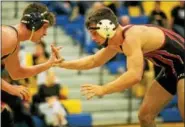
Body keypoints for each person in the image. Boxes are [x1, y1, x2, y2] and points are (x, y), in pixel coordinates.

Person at [55, 7, 184, 126]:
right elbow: (94, 61)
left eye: (94, 33)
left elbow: (134, 76)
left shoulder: (131, 37)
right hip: (170, 68)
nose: (93, 39)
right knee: (145, 117)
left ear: (106, 27)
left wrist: (104, 89)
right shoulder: (116, 42)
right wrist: (63, 64)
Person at [1, 3, 62, 127]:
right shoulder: (8, 36)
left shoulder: (14, 41)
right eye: (45, 27)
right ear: (35, 23)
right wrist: (11, 88)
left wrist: (48, 64)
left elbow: (17, 73)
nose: (45, 33)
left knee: (5, 117)